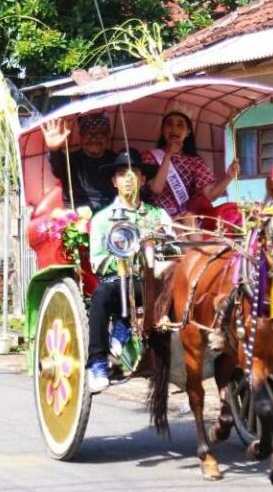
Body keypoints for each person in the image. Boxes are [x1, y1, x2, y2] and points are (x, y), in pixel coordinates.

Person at [87, 148, 173, 393]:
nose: (128, 178)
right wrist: (125, 258)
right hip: (119, 281)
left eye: (134, 172)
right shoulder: (102, 219)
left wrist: (159, 249)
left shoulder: (158, 215)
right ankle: (97, 363)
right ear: (114, 181)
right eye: (122, 174)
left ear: (143, 179)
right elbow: (97, 262)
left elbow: (174, 249)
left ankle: (124, 330)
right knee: (101, 295)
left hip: (156, 282)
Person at [142, 111, 240, 232]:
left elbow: (209, 196)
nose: (174, 129)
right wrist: (168, 156)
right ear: (163, 130)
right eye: (169, 124)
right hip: (157, 219)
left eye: (180, 125)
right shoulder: (149, 157)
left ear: (188, 132)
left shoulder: (195, 162)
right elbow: (156, 189)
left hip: (186, 221)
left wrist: (229, 177)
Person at [41, 112, 116, 213]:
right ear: (81, 136)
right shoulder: (71, 160)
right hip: (76, 213)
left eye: (99, 134)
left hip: (110, 212)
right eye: (88, 135)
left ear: (108, 136)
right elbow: (58, 169)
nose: (94, 138)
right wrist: (54, 149)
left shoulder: (116, 161)